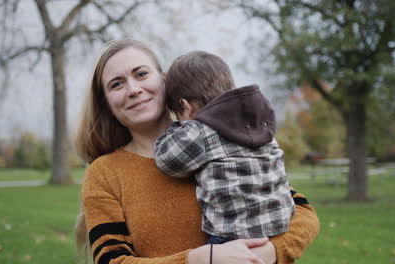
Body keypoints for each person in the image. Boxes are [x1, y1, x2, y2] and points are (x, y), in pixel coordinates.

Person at [75, 38, 320, 264]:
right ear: (106, 102)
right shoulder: (105, 173)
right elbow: (111, 260)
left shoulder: (223, 137)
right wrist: (199, 259)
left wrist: (269, 253)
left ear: (164, 79)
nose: (133, 89)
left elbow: (303, 213)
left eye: (141, 74)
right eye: (117, 84)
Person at [153, 51, 294, 245]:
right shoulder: (258, 122)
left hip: (232, 234)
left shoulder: (201, 131)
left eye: (179, 114)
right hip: (278, 226)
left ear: (185, 106)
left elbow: (166, 160)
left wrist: (177, 127)